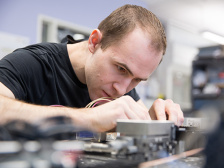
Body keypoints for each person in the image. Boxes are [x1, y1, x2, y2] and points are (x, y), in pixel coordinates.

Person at [0, 4, 184, 132]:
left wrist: (154, 121)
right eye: (121, 68)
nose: (121, 90)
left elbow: (139, 121)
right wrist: (89, 118)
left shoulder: (122, 86)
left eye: (137, 79)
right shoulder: (33, 63)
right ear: (94, 42)